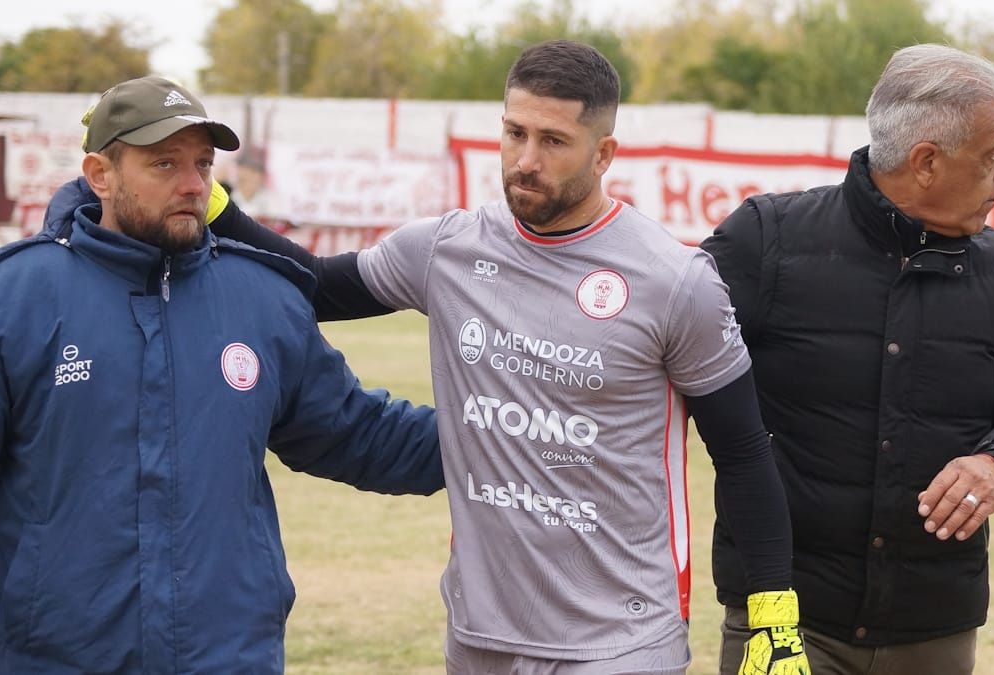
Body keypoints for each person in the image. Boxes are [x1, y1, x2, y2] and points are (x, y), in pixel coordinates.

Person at [192, 40, 810, 673]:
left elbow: (742, 450)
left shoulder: (676, 283)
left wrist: (772, 613)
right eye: (515, 133)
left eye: (553, 141)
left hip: (622, 643)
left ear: (604, 155)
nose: (526, 160)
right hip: (481, 635)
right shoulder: (447, 250)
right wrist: (210, 205)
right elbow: (316, 285)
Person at [0, 75, 444, 673]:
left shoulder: (262, 298)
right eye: (164, 164)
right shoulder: (11, 299)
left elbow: (358, 435)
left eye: (202, 164)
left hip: (228, 656)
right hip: (56, 658)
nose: (193, 184)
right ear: (100, 174)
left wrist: (507, 439)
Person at [701, 44, 994, 675]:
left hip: (934, 628)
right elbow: (650, 364)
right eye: (993, 154)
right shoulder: (766, 241)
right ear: (925, 162)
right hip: (785, 624)